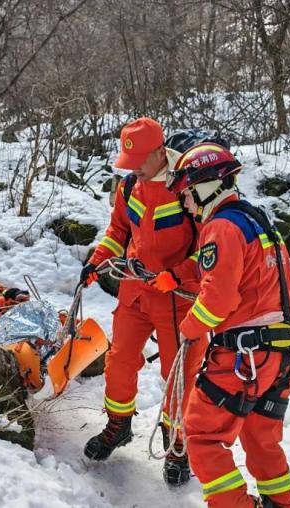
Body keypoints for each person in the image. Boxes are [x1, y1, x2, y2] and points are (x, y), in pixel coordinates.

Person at [166, 143, 290, 507]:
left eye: (185, 193)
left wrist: (190, 328)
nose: (184, 203)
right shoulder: (261, 225)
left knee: (201, 435)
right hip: (279, 355)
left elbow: (218, 299)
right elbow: (289, 295)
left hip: (243, 356)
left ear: (205, 185)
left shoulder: (221, 228)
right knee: (262, 439)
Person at [80, 117, 207, 487]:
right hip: (135, 291)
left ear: (158, 152)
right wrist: (97, 259)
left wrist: (178, 275)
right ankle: (118, 425)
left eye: (137, 159)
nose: (131, 167)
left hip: (178, 299)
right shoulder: (128, 187)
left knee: (178, 375)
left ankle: (177, 442)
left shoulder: (190, 189)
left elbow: (208, 248)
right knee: (119, 360)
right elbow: (119, 230)